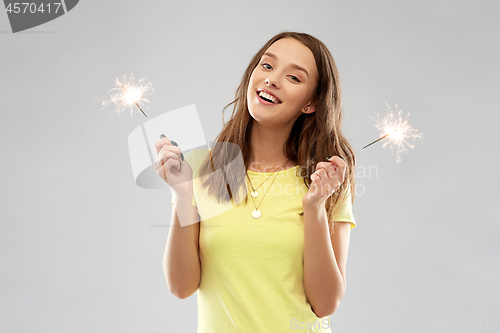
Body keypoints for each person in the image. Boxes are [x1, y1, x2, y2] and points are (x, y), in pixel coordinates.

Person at [154, 31, 357, 333]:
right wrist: (183, 195)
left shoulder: (324, 180)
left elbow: (325, 304)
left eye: (294, 78)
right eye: (266, 66)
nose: (272, 79)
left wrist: (314, 207)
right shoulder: (200, 166)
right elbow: (182, 287)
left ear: (311, 103)